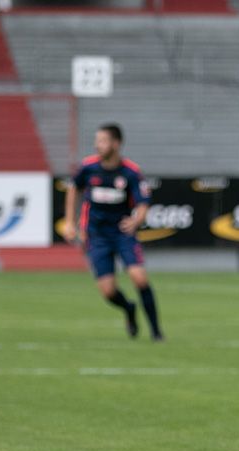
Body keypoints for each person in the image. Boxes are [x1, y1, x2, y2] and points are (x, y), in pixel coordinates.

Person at [62, 124, 163, 341]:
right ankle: (128, 308)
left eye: (103, 141)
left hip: (122, 234)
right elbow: (73, 188)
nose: (97, 145)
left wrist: (136, 220)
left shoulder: (131, 172)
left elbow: (143, 202)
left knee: (139, 278)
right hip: (97, 235)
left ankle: (156, 332)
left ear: (116, 144)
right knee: (108, 291)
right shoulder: (88, 167)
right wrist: (70, 222)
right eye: (97, 141)